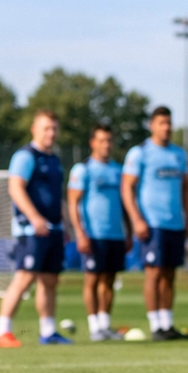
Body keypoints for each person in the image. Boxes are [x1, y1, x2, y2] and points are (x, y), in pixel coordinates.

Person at [0, 110, 71, 347]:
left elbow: (58, 197)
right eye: (46, 128)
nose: (51, 133)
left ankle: (48, 331)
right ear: (34, 129)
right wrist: (35, 217)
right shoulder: (26, 156)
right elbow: (15, 188)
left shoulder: (54, 159)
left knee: (49, 281)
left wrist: (65, 224)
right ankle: (1, 331)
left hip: (53, 229)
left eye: (54, 128)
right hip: (31, 230)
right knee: (24, 278)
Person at [122, 106, 188, 340]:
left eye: (169, 123)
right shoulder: (139, 152)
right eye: (161, 123)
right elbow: (127, 187)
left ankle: (167, 324)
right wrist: (136, 220)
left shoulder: (178, 154)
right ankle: (155, 326)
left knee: (170, 274)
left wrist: (187, 217)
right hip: (151, 223)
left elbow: (185, 187)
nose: (166, 127)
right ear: (152, 125)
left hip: (175, 223)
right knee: (154, 273)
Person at [68, 123, 131, 341]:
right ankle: (94, 327)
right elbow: (73, 202)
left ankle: (105, 326)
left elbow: (124, 204)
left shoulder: (118, 170)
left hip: (115, 235)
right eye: (102, 140)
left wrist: (128, 232)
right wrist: (80, 233)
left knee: (109, 280)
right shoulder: (83, 169)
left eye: (109, 140)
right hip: (93, 234)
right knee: (92, 280)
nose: (106, 145)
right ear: (92, 143)